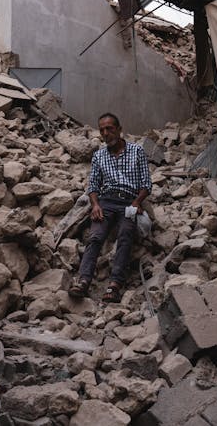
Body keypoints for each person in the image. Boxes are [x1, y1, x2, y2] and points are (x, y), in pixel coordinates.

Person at [68, 112, 152, 303]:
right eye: (102, 130)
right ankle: (83, 281)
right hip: (106, 201)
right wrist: (95, 204)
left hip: (129, 202)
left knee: (125, 235)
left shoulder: (136, 151)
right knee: (95, 236)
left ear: (119, 130)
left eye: (110, 129)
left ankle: (115, 284)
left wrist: (137, 202)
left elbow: (146, 184)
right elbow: (93, 186)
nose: (106, 133)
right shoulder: (99, 156)